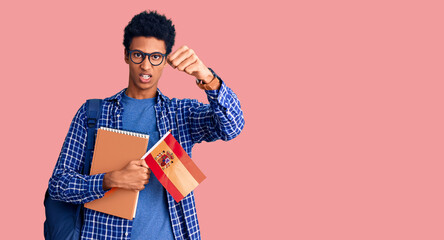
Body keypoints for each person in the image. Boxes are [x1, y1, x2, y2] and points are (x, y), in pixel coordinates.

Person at [47, 10, 244, 240]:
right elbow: (59, 184)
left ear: (165, 58)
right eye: (139, 55)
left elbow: (232, 126)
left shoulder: (181, 113)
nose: (146, 66)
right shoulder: (93, 114)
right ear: (126, 55)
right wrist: (109, 180)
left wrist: (208, 78)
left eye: (155, 57)